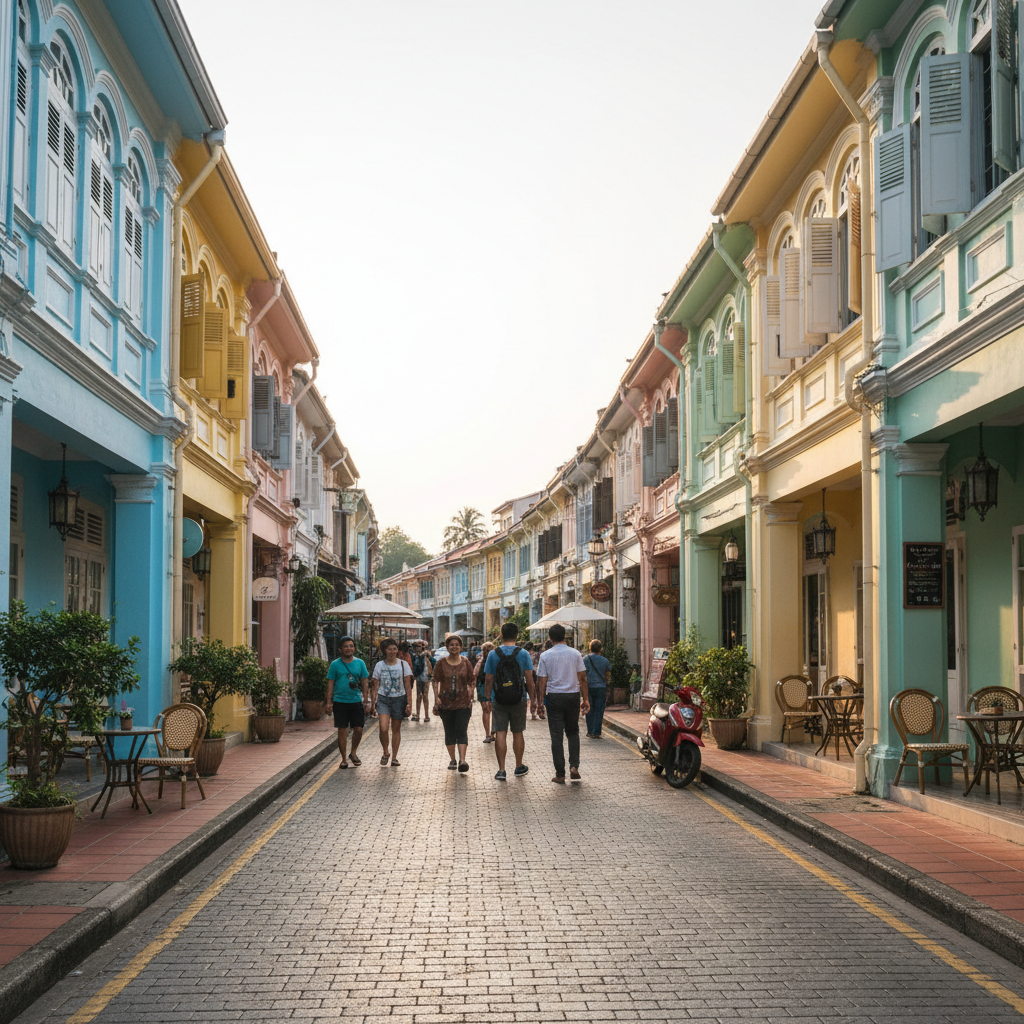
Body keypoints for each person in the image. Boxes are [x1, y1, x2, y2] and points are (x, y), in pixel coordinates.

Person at [483, 622, 536, 781]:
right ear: (517, 635)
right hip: (519, 698)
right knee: (518, 732)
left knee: (500, 732)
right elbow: (530, 680)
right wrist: (532, 700)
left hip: (498, 698)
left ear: (501, 634)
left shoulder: (493, 654)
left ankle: (501, 770)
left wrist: (487, 698)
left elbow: (488, 679)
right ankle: (519, 766)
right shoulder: (524, 653)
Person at [536, 624, 589, 783]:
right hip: (572, 696)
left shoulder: (545, 656)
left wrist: (540, 703)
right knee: (573, 732)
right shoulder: (575, 654)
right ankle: (574, 766)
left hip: (554, 697)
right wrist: (585, 699)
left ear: (550, 638)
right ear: (564, 636)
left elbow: (542, 682)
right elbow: (582, 678)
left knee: (556, 735)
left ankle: (560, 774)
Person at [431, 634, 475, 772]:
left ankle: (462, 760)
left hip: (463, 704)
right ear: (447, 647)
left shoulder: (466, 662)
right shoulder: (440, 663)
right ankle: (452, 759)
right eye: (451, 645)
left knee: (461, 731)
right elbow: (435, 680)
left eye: (457, 645)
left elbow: (472, 680)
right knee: (449, 731)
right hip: (445, 704)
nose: (454, 647)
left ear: (461, 647)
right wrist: (436, 698)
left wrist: (471, 692)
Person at [326, 636, 369, 768]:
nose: (349, 648)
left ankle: (353, 752)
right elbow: (330, 683)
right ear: (340, 649)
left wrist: (366, 700)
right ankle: (344, 759)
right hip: (340, 701)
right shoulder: (335, 664)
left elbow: (365, 682)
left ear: (354, 648)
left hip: (356, 701)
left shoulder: (360, 663)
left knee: (359, 729)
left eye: (351, 646)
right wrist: (328, 702)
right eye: (346, 646)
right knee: (342, 730)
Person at [371, 638, 413, 766]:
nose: (393, 651)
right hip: (383, 699)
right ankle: (385, 752)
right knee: (383, 728)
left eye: (395, 649)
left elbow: (408, 685)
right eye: (390, 649)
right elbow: (375, 685)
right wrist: (373, 703)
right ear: (384, 650)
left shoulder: (403, 664)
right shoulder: (379, 665)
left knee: (396, 729)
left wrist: (409, 703)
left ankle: (394, 757)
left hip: (399, 699)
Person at [583, 639, 611, 738]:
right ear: (601, 649)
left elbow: (582, 675)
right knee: (599, 710)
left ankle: (590, 730)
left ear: (590, 648)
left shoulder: (585, 659)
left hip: (588, 687)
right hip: (601, 687)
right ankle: (597, 732)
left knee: (589, 709)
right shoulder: (605, 661)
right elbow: (607, 676)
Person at [474, 641, 495, 743]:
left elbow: (474, 675)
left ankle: (488, 734)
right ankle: (493, 733)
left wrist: (471, 691)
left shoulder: (480, 662)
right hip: (494, 687)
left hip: (481, 687)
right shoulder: (496, 661)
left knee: (486, 711)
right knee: (494, 710)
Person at [411, 641, 434, 722]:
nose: (417, 648)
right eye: (416, 647)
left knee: (425, 696)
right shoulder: (415, 657)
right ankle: (418, 714)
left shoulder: (425, 655)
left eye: (419, 647)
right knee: (419, 696)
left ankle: (426, 715)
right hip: (419, 677)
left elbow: (432, 663)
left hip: (425, 677)